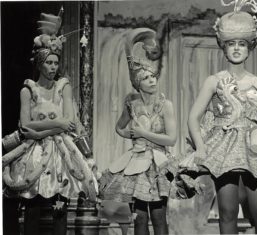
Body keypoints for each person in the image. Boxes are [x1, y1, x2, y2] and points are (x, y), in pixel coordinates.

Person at [183, 0, 257, 234]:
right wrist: (201, 148)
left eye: (241, 44)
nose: (236, 48)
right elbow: (193, 117)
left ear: (250, 47)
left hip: (255, 149)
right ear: (223, 47)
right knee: (227, 213)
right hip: (224, 150)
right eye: (231, 43)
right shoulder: (213, 81)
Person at [2, 10, 98, 235]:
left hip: (61, 155)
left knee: (60, 210)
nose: (53, 67)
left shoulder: (63, 86)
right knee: (33, 209)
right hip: (34, 154)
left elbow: (70, 122)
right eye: (49, 62)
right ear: (39, 63)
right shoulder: (28, 90)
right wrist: (56, 126)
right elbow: (26, 126)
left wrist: (46, 127)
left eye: (56, 62)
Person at [99, 28, 177, 235]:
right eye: (146, 78)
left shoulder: (165, 105)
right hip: (137, 164)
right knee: (139, 218)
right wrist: (130, 136)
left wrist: (144, 134)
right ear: (137, 83)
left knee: (159, 216)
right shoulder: (132, 104)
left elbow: (171, 139)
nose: (152, 80)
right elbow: (119, 127)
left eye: (154, 76)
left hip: (158, 164)